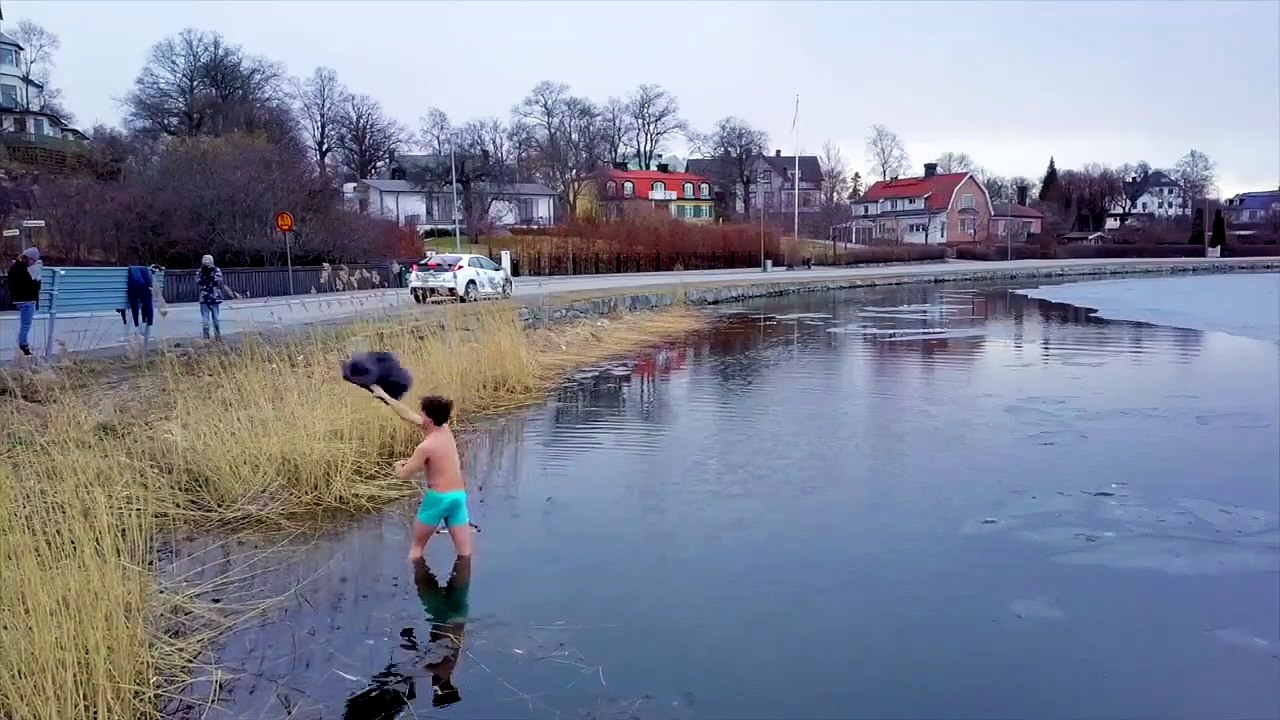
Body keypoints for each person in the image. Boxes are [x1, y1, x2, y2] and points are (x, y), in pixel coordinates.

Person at [370, 386, 473, 561]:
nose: (420, 416)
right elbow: (407, 414)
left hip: (438, 500)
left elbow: (403, 475)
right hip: (458, 497)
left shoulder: (425, 447)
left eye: (423, 413)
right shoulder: (445, 430)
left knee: (417, 550)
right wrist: (384, 395)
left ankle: (421, 584)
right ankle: (462, 586)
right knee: (465, 553)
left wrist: (397, 466)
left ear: (430, 419)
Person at [7, 247, 42, 356]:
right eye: (33, 260)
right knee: (26, 324)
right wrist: (37, 281)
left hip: (20, 299)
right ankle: (24, 346)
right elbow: (30, 286)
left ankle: (23, 345)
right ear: (29, 258)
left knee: (25, 324)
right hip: (26, 299)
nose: (33, 263)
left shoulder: (15, 267)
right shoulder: (22, 269)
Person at [197, 254, 223, 341]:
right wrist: (204, 275)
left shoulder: (216, 270)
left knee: (215, 319)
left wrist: (210, 275)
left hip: (214, 297)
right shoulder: (200, 271)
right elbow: (198, 281)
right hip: (204, 297)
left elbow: (218, 281)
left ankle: (217, 337)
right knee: (205, 320)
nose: (207, 264)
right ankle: (206, 337)